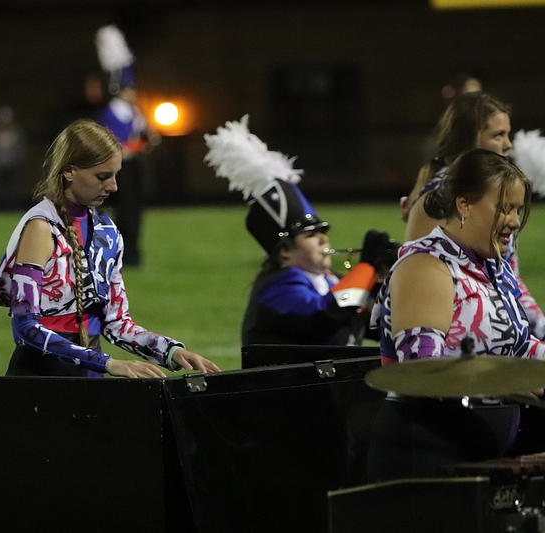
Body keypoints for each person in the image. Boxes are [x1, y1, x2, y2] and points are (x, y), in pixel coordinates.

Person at [0, 119, 219, 378]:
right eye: (103, 176)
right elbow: (25, 328)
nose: (113, 186)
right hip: (40, 380)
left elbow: (115, 322)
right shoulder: (41, 228)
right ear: (69, 171)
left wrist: (170, 351)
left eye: (115, 174)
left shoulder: (108, 232)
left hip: (92, 376)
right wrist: (106, 363)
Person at [367, 149, 545, 481]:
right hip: (424, 452)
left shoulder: (490, 266)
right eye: (504, 208)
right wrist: (502, 381)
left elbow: (519, 346)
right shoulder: (426, 267)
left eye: (518, 210)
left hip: (475, 450)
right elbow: (421, 370)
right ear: (464, 205)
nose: (514, 221)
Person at [202, 115, 397, 346]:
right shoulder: (279, 286)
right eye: (311, 235)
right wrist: (366, 268)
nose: (324, 239)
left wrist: (386, 275)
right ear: (284, 252)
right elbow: (323, 315)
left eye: (322, 232)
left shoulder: (330, 280)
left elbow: (380, 322)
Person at [401, 91, 545, 340]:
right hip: (465, 342)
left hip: (500, 328)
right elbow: (418, 277)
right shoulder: (438, 198)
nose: (508, 144)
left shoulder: (486, 190)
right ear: (468, 139)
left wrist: (538, 326)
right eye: (498, 135)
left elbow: (507, 279)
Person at [95, 24, 156, 267]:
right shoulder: (111, 113)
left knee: (133, 211)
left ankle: (132, 253)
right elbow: (116, 144)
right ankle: (119, 254)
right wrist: (139, 145)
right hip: (118, 168)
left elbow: (142, 135)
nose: (133, 92)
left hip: (132, 167)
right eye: (129, 89)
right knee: (121, 211)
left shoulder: (133, 111)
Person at [0, 105, 27, 211]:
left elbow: (21, 147)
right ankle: (0, 209)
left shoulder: (16, 132)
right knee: (0, 189)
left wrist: (19, 160)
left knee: (13, 189)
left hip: (14, 165)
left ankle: (13, 208)